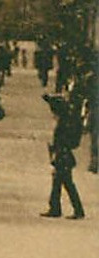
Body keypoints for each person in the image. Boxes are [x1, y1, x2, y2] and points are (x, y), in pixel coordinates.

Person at [42, 91, 85, 219]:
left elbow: (64, 141)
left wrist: (57, 152)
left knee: (65, 183)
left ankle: (75, 210)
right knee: (60, 182)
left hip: (63, 155)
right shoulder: (66, 119)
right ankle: (56, 207)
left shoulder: (65, 123)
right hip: (62, 154)